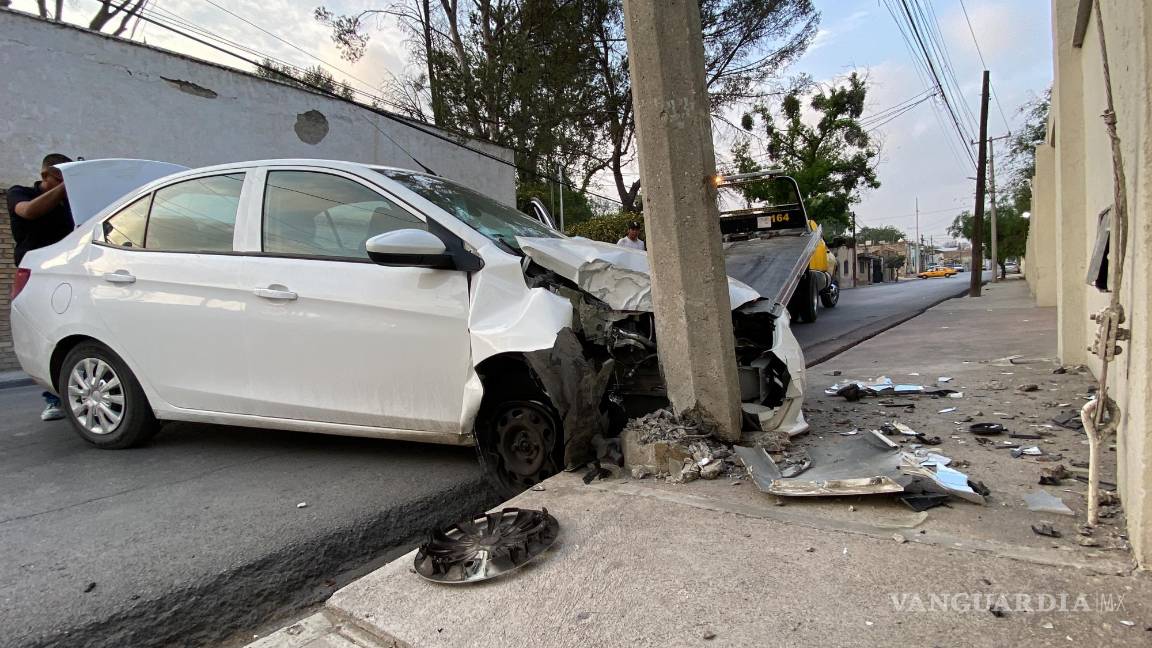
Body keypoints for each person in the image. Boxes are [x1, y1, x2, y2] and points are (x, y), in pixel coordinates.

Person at [8, 153, 74, 421]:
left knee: (69, 332)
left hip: (68, 271)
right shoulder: (19, 192)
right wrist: (65, 187)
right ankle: (52, 398)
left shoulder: (70, 203)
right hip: (36, 274)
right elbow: (29, 212)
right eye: (59, 179)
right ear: (45, 175)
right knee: (44, 336)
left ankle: (69, 393)